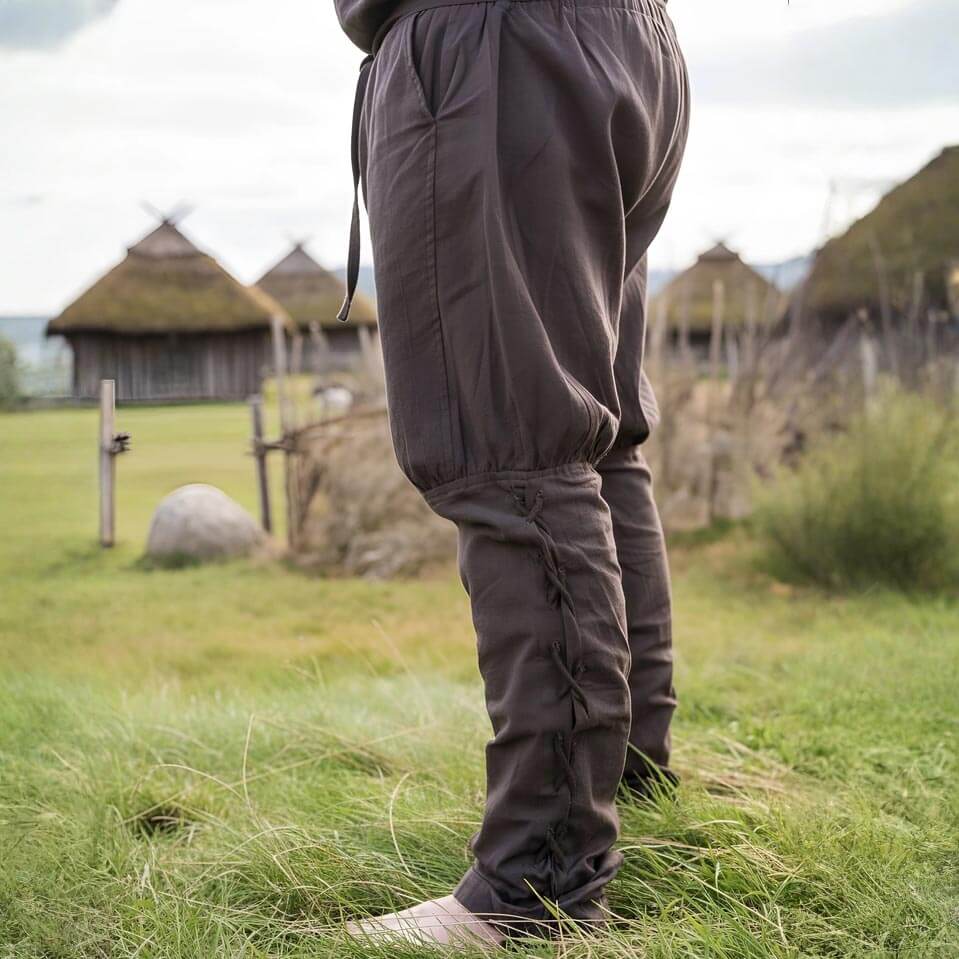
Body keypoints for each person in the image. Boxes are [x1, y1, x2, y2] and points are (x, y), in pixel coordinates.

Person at [334, 0, 689, 946]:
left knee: (506, 440)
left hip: (491, 49)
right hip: (624, 40)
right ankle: (629, 781)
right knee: (591, 435)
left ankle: (539, 881)